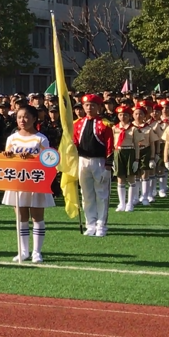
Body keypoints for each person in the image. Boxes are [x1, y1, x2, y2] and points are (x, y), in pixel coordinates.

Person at [1, 105, 54, 263]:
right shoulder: (12, 138)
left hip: (36, 182)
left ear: (34, 118)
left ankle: (37, 252)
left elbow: (49, 159)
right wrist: (9, 155)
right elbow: (6, 161)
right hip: (17, 182)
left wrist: (32, 156)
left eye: (25, 117)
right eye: (19, 117)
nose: (22, 120)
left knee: (37, 217)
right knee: (21, 217)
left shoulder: (41, 138)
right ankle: (23, 251)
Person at [74, 94, 115, 236]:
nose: (89, 108)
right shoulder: (77, 123)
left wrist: (108, 164)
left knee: (102, 194)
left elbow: (110, 145)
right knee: (86, 194)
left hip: (100, 162)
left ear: (98, 107)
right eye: (86, 105)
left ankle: (101, 224)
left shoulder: (105, 123)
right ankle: (90, 223)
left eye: (92, 105)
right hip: (83, 161)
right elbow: (74, 142)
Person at [114, 104, 146, 214]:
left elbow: (137, 145)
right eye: (121, 115)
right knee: (120, 178)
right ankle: (122, 203)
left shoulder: (134, 129)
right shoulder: (115, 128)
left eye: (125, 115)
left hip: (130, 152)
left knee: (131, 178)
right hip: (118, 152)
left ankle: (130, 203)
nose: (123, 117)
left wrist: (137, 160)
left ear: (129, 116)